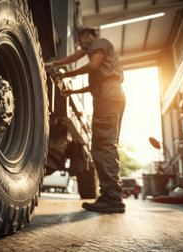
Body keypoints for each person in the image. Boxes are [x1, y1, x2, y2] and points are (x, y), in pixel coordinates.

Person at [45, 28, 126, 213]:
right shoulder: (96, 50)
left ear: (91, 36)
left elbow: (92, 66)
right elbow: (88, 75)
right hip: (108, 95)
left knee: (103, 146)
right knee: (105, 145)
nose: (80, 42)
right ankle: (112, 196)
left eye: (82, 37)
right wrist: (73, 91)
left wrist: (64, 74)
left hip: (107, 97)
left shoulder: (100, 43)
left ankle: (112, 198)